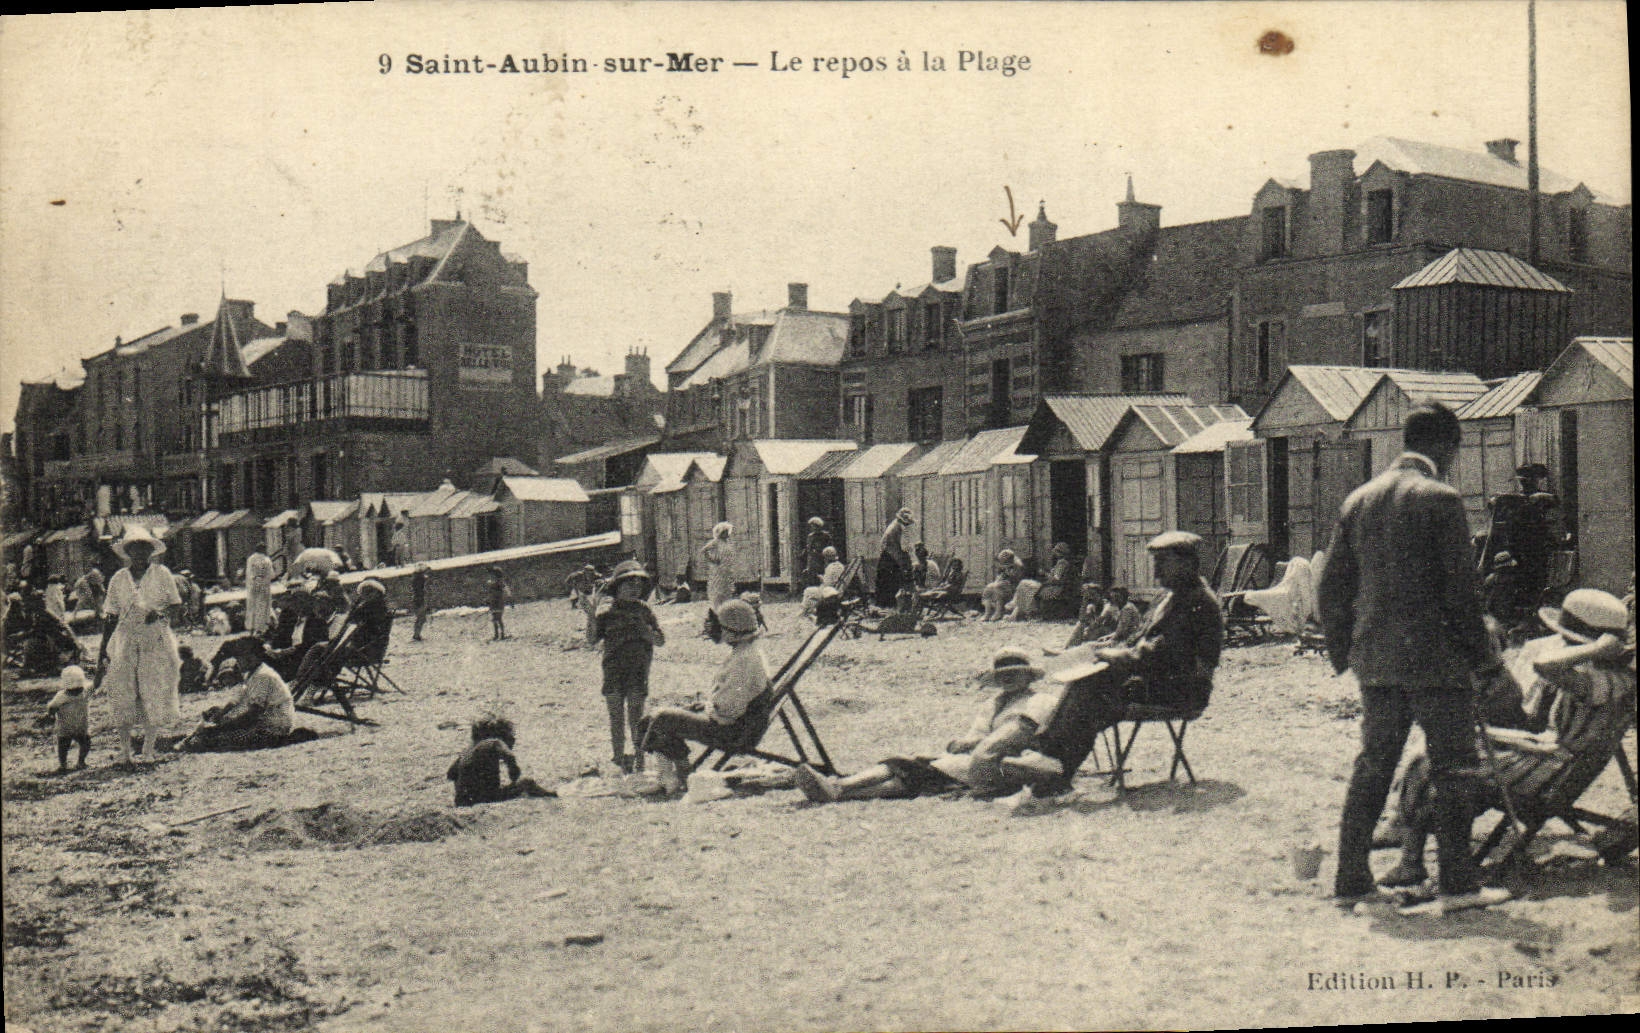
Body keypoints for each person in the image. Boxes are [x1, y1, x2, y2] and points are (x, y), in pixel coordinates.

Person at [1317, 402, 1510, 914]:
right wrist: (1485, 658)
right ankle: (1459, 885)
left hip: (1377, 662)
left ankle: (1352, 878)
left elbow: (1331, 588)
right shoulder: (1441, 498)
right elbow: (1461, 596)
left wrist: (1347, 652)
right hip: (1437, 662)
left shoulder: (1358, 498)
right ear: (1446, 446)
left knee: (1373, 765)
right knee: (1455, 769)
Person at [1382, 588, 1635, 893]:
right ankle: (1411, 854)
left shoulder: (1607, 682)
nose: (1562, 642)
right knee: (1441, 748)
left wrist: (1593, 649)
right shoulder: (1602, 676)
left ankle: (1411, 854)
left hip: (1551, 770)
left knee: (1439, 759)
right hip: (1549, 760)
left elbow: (1546, 665)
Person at [1002, 532, 1224, 793]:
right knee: (1088, 684)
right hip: (1161, 681)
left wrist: (1115, 657)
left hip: (1184, 690)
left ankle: (1054, 764)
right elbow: (1140, 641)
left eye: (1163, 563)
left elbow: (1160, 655)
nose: (1156, 572)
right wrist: (1108, 650)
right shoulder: (1172, 598)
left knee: (1094, 690)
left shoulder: (1198, 603)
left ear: (1186, 564)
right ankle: (1052, 763)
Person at [794, 647, 1059, 803]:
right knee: (912, 782)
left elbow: (1014, 737)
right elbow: (976, 734)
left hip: (999, 764)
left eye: (1015, 674)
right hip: (969, 762)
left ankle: (841, 786)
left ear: (1028, 676)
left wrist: (969, 745)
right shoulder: (992, 704)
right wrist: (961, 743)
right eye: (1003, 675)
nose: (1009, 679)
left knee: (905, 767)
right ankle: (840, 792)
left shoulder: (1037, 702)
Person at [643, 599, 769, 795]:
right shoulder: (747, 652)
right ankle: (677, 774)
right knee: (653, 718)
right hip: (740, 725)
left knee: (660, 718)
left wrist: (707, 708)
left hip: (734, 733)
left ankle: (673, 778)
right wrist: (706, 706)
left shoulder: (744, 660)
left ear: (731, 630)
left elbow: (727, 710)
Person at [95, 524, 184, 766]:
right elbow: (111, 617)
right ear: (127, 551)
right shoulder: (118, 579)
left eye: (144, 548)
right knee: (123, 692)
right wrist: (103, 652)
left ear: (151, 551)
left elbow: (176, 606)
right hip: (125, 640)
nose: (140, 553)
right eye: (134, 548)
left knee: (151, 689)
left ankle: (148, 748)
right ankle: (125, 750)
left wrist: (159, 613)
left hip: (154, 639)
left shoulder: (162, 574)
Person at [588, 560, 664, 774]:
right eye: (628, 585)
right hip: (612, 669)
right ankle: (620, 759)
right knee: (616, 718)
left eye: (638, 585)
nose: (634, 589)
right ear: (617, 588)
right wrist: (590, 615)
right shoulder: (607, 613)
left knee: (636, 718)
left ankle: (640, 760)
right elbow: (592, 639)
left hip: (638, 669)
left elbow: (660, 640)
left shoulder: (644, 611)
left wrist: (645, 631)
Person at [176, 642, 297, 752]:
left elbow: (253, 714)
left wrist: (222, 727)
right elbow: (240, 702)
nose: (238, 663)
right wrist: (222, 715)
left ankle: (189, 742)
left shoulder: (262, 676)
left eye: (240, 659)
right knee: (216, 724)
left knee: (217, 738)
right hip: (267, 723)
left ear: (252, 658)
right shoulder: (254, 674)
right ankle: (190, 739)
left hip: (273, 729)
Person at [446, 713, 555, 806]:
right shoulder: (495, 742)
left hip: (464, 801)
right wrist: (514, 774)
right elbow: (510, 757)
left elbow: (451, 774)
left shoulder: (465, 753)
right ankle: (552, 795)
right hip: (487, 797)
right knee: (527, 782)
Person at [45, 664, 92, 772]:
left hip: (76, 727)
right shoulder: (65, 695)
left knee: (84, 743)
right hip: (71, 728)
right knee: (65, 746)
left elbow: (52, 707)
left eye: (78, 688)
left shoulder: (81, 692)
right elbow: (52, 707)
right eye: (74, 689)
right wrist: (51, 714)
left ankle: (78, 762)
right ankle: (65, 764)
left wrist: (51, 714)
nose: (76, 691)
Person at [1050, 583, 1117, 654]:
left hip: (1110, 633)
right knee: (1081, 624)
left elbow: (1099, 621)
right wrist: (1085, 604)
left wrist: (1088, 627)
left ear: (1100, 595)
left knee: (1089, 629)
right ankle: (1067, 649)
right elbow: (1082, 618)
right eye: (1087, 596)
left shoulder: (1107, 606)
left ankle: (1075, 651)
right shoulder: (1092, 606)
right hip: (1100, 629)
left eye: (1093, 595)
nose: (1091, 598)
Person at [875, 508, 915, 608]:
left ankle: (888, 605)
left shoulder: (895, 526)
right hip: (890, 557)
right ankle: (889, 605)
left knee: (889, 581)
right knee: (890, 581)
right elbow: (900, 548)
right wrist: (903, 562)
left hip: (889, 556)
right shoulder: (897, 528)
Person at [980, 549, 1026, 622]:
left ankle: (998, 612)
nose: (1003, 564)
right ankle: (987, 613)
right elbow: (999, 577)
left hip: (1014, 587)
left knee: (997, 587)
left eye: (1005, 562)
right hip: (1004, 584)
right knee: (989, 587)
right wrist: (998, 580)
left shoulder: (1017, 565)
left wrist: (1008, 573)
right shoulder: (1003, 565)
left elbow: (1017, 580)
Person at [702, 522, 736, 612]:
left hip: (727, 568)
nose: (727, 534)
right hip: (718, 568)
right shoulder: (716, 542)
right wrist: (712, 560)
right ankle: (717, 608)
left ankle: (726, 607)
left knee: (727, 588)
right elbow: (704, 550)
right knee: (718, 588)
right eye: (724, 532)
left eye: (727, 531)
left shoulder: (728, 542)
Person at [244, 548, 275, 636]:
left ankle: (250, 628)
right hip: (263, 584)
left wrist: (251, 583)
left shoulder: (251, 559)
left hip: (253, 584)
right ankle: (260, 629)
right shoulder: (266, 560)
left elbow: (248, 573)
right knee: (262, 607)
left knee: (251, 607)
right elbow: (272, 574)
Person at [801, 516, 833, 591]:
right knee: (811, 575)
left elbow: (829, 546)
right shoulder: (810, 536)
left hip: (822, 558)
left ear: (819, 526)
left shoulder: (825, 535)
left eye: (815, 526)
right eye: (812, 526)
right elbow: (808, 548)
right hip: (812, 559)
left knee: (822, 576)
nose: (813, 528)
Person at [486, 566, 511, 641]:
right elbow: (490, 593)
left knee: (498, 618)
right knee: (494, 618)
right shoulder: (490, 583)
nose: (491, 576)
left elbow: (507, 591)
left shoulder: (501, 583)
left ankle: (502, 634)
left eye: (493, 574)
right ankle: (496, 634)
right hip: (493, 602)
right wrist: (488, 600)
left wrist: (509, 599)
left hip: (499, 602)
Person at [411, 563, 431, 641]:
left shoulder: (416, 578)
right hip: (419, 600)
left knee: (421, 618)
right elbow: (421, 590)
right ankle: (416, 635)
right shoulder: (419, 579)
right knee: (421, 618)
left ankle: (417, 634)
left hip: (418, 599)